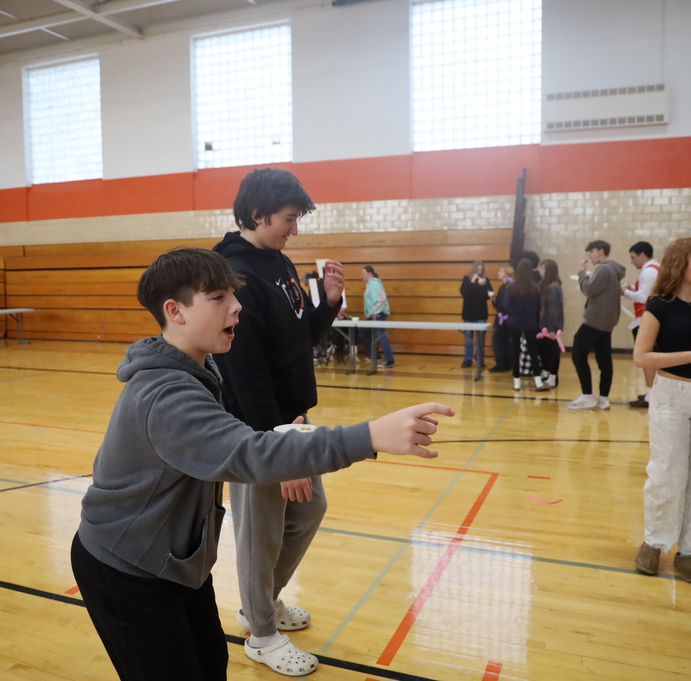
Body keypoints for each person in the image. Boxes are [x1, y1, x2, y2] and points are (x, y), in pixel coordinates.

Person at [71, 247, 453, 681]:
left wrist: (282, 435)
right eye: (218, 297)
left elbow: (224, 437)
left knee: (210, 666)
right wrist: (368, 436)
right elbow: (247, 455)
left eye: (233, 295)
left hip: (173, 561)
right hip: (127, 567)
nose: (236, 306)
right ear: (174, 311)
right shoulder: (166, 395)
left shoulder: (195, 366)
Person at [212, 168, 347, 674]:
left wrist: (327, 304)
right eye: (289, 219)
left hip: (291, 420)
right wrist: (278, 449)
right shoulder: (232, 272)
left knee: (309, 509)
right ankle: (261, 634)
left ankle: (261, 603)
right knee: (260, 532)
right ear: (258, 214)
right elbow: (244, 372)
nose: (295, 228)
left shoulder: (280, 262)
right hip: (255, 426)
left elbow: (300, 337)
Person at [631, 237, 691, 584]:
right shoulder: (659, 305)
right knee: (667, 472)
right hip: (670, 395)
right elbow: (641, 356)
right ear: (681, 264)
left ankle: (690, 550)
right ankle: (654, 541)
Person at [568, 240, 626, 410]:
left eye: (591, 251)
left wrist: (581, 273)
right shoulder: (614, 270)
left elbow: (589, 290)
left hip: (595, 320)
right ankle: (603, 398)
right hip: (607, 322)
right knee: (604, 360)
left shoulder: (604, 268)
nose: (589, 255)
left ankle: (587, 396)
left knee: (578, 354)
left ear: (601, 251)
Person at [622, 242, 660, 408]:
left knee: (647, 359)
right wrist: (632, 287)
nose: (632, 261)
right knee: (651, 359)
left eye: (633, 257)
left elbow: (643, 297)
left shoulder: (648, 271)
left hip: (646, 320)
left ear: (642, 255)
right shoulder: (655, 268)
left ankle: (651, 396)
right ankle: (651, 393)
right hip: (650, 319)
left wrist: (624, 291)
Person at [506, 259, 547, 391]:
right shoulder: (535, 287)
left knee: (514, 350)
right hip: (530, 322)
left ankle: (516, 381)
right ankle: (538, 380)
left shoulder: (511, 287)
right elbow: (538, 307)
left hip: (514, 322)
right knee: (533, 350)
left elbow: (507, 306)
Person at [459, 260, 492, 369]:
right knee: (468, 338)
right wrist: (473, 281)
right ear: (473, 269)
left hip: (481, 313)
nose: (479, 272)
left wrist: (483, 286)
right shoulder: (467, 279)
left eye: (481, 270)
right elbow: (465, 293)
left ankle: (480, 360)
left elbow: (487, 296)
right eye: (478, 270)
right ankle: (467, 360)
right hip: (469, 313)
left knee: (481, 339)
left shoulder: (486, 280)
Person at [362, 265, 394, 371]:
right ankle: (375, 354)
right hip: (373, 314)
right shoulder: (370, 284)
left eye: (363, 273)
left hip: (378, 314)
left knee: (381, 335)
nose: (362, 276)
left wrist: (376, 312)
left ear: (369, 273)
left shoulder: (374, 284)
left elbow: (381, 299)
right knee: (363, 332)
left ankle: (390, 360)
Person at [537, 259, 563, 388]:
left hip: (550, 326)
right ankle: (547, 373)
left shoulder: (553, 287)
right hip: (544, 325)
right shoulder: (545, 285)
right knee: (544, 351)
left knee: (552, 351)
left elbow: (553, 309)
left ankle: (553, 377)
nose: (539, 271)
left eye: (542, 269)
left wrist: (552, 329)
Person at [488, 265, 513, 373]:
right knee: (505, 341)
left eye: (501, 271)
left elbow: (506, 306)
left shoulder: (509, 287)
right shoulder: (503, 287)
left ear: (506, 274)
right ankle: (507, 363)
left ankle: (501, 363)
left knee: (496, 340)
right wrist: (494, 299)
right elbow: (498, 305)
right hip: (504, 319)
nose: (499, 273)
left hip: (505, 320)